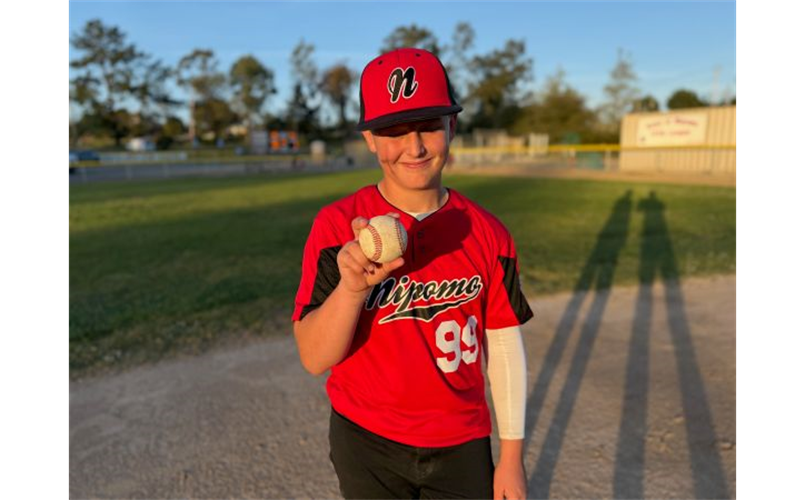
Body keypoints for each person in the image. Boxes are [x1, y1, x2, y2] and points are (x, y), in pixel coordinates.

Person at [292, 47, 533, 500]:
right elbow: (314, 358)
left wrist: (512, 458)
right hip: (365, 439)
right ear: (370, 138)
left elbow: (503, 345)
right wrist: (351, 289)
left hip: (461, 441)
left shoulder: (488, 234)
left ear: (452, 127)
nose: (415, 147)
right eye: (393, 131)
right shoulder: (336, 227)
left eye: (429, 126)